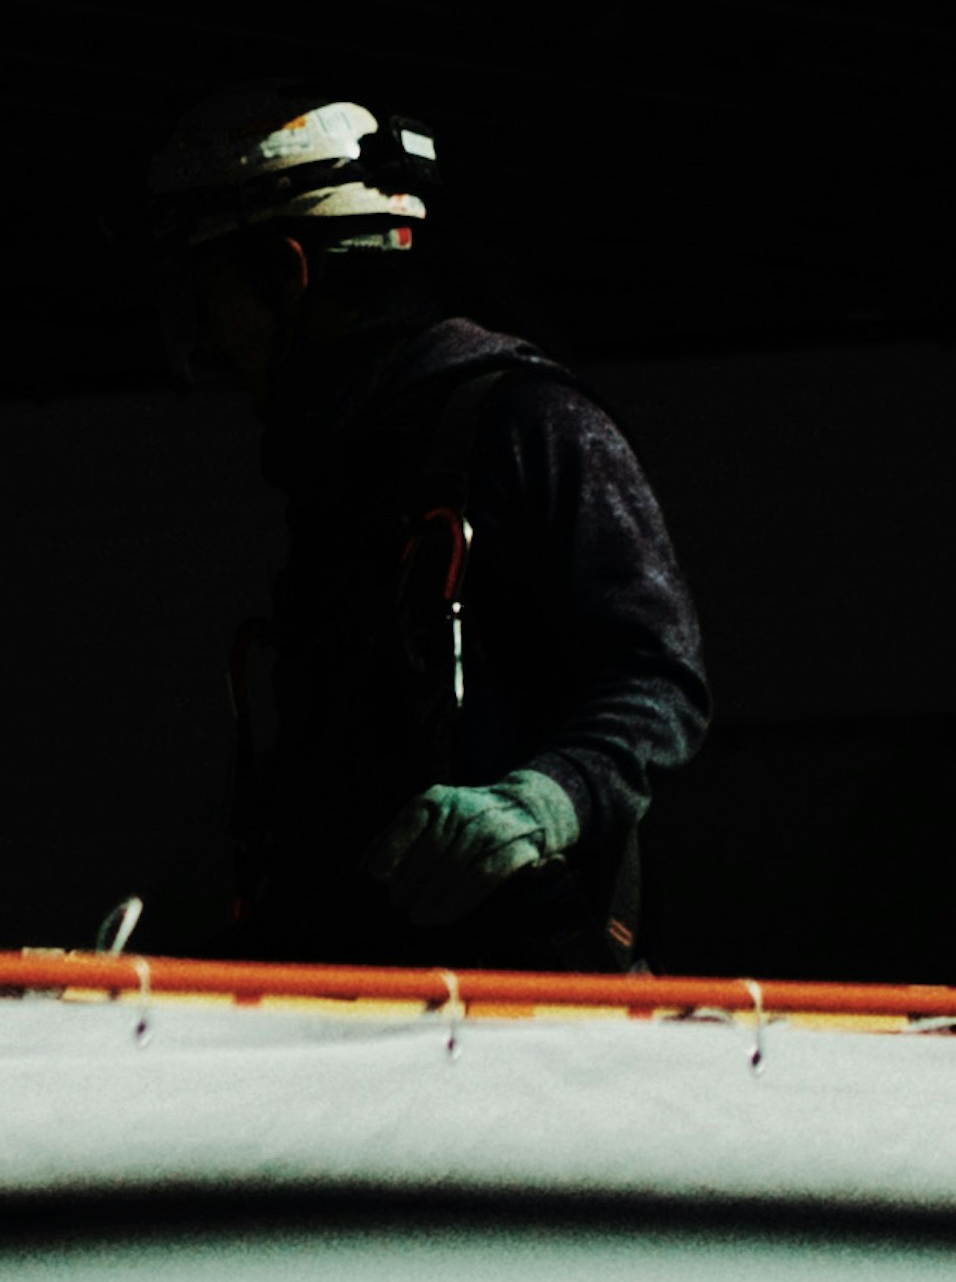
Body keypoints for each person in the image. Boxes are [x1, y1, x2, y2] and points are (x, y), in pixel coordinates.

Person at [149, 84, 707, 958]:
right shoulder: (354, 461)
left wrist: (545, 801)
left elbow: (657, 680)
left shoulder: (528, 421)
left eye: (212, 293)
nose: (209, 339)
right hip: (381, 996)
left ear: (290, 273)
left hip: (527, 1003)